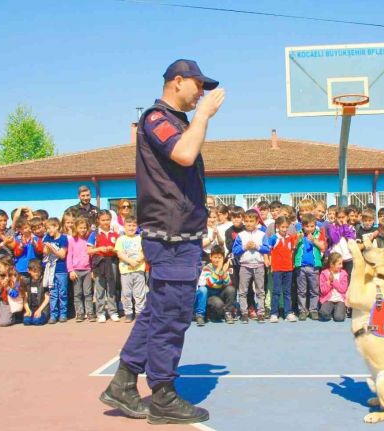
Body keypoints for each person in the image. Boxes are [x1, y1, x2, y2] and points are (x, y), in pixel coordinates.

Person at [101, 59, 224, 424]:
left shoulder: (176, 122)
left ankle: (123, 384)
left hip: (178, 233)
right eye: (198, 85)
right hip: (170, 236)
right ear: (178, 81)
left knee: (158, 311)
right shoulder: (157, 118)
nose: (201, 92)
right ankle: (163, 395)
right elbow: (184, 154)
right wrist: (203, 115)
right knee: (171, 316)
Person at [232, 209, 270, 323]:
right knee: (243, 291)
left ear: (257, 221)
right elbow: (235, 250)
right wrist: (245, 247)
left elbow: (267, 249)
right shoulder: (241, 235)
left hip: (259, 266)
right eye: (246, 221)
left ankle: (261, 313)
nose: (248, 223)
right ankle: (244, 313)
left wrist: (257, 247)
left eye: (251, 221)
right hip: (245, 266)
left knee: (260, 291)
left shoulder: (262, 234)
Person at [88, 210, 119, 323]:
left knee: (111, 288)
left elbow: (119, 250)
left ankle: (113, 312)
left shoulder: (115, 234)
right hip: (99, 263)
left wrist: (113, 250)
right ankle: (100, 313)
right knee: (100, 289)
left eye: (107, 219)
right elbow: (88, 250)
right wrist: (100, 249)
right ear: (98, 221)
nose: (105, 222)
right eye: (103, 220)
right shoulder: (94, 234)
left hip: (112, 262)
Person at [294, 213, 327, 321]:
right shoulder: (299, 234)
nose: (309, 229)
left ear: (315, 226)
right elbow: (293, 247)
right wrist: (297, 239)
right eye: (307, 226)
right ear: (303, 226)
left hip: (314, 267)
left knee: (314, 290)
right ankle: (302, 311)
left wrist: (314, 240)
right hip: (301, 266)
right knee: (301, 291)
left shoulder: (318, 234)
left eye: (312, 226)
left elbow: (323, 247)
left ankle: (313, 310)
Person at [115, 216, 147, 323]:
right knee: (126, 293)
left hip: (139, 270)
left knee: (139, 293)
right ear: (124, 227)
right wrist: (130, 261)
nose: (131, 227)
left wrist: (137, 261)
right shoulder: (121, 239)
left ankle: (139, 312)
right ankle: (128, 313)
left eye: (134, 225)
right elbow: (119, 253)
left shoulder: (140, 238)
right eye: (129, 225)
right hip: (125, 271)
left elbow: (144, 252)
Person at [194, 245, 234, 325]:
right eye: (215, 257)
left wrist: (224, 273)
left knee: (231, 289)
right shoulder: (207, 268)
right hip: (208, 296)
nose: (217, 260)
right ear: (210, 257)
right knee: (203, 290)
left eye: (220, 258)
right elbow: (210, 283)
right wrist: (218, 270)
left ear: (223, 258)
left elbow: (228, 283)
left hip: (218, 294)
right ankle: (200, 315)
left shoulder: (223, 268)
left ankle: (227, 313)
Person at [267, 216, 297, 322]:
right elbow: (268, 251)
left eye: (286, 227)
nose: (284, 229)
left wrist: (292, 263)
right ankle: (274, 313)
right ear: (277, 227)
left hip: (288, 268)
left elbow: (293, 250)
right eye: (282, 227)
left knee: (287, 292)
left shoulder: (290, 238)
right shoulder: (273, 238)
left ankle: (288, 312)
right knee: (276, 292)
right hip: (277, 269)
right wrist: (270, 264)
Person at [41, 217, 68, 324]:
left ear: (56, 227)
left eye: (50, 228)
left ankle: (63, 314)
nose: (48, 231)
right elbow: (44, 252)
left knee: (62, 293)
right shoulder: (47, 237)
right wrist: (46, 247)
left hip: (61, 269)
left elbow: (62, 255)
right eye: (47, 228)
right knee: (53, 293)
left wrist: (51, 248)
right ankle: (53, 314)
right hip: (50, 270)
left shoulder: (63, 238)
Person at [67, 217, 93, 322]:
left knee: (88, 293)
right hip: (76, 270)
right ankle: (79, 313)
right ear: (76, 228)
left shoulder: (89, 240)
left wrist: (92, 270)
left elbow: (91, 256)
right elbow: (69, 256)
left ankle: (90, 312)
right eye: (80, 228)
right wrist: (71, 270)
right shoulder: (72, 240)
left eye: (84, 228)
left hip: (87, 270)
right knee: (77, 293)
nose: (82, 230)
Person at [318, 252, 348, 322]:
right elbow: (323, 291)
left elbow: (343, 290)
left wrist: (333, 281)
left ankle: (340, 311)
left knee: (339, 318)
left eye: (342, 263)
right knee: (323, 314)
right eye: (339, 264)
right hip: (329, 300)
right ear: (331, 264)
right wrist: (328, 282)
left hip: (340, 300)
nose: (341, 266)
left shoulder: (343, 273)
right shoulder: (324, 273)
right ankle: (332, 311)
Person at [21, 259, 49, 326]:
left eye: (39, 271)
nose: (37, 273)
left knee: (36, 321)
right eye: (34, 271)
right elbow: (25, 299)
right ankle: (31, 316)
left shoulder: (44, 282)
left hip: (42, 309)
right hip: (31, 309)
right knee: (26, 321)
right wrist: (27, 310)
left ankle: (41, 317)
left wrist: (39, 310)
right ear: (29, 271)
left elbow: (47, 298)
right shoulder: (27, 282)